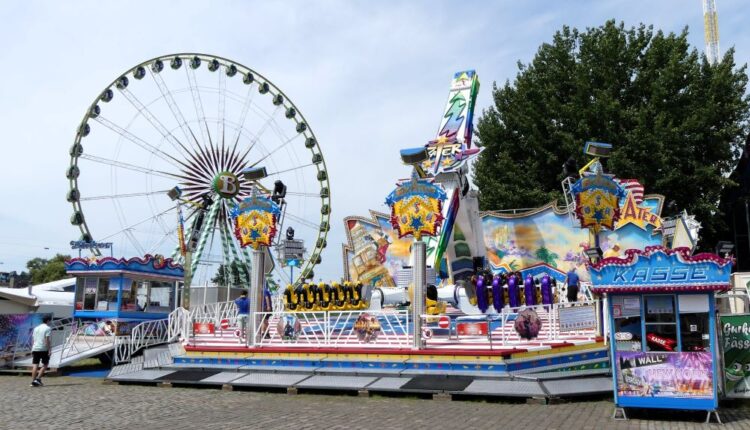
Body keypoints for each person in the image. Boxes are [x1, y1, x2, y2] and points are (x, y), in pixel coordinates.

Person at [30, 315, 52, 387]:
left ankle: (33, 381)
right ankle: (38, 379)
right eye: (50, 321)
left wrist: (32, 348)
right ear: (48, 321)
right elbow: (47, 340)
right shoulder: (48, 328)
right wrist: (49, 350)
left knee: (35, 365)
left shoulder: (36, 328)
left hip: (35, 348)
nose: (50, 322)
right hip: (43, 349)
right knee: (45, 364)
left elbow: (33, 339)